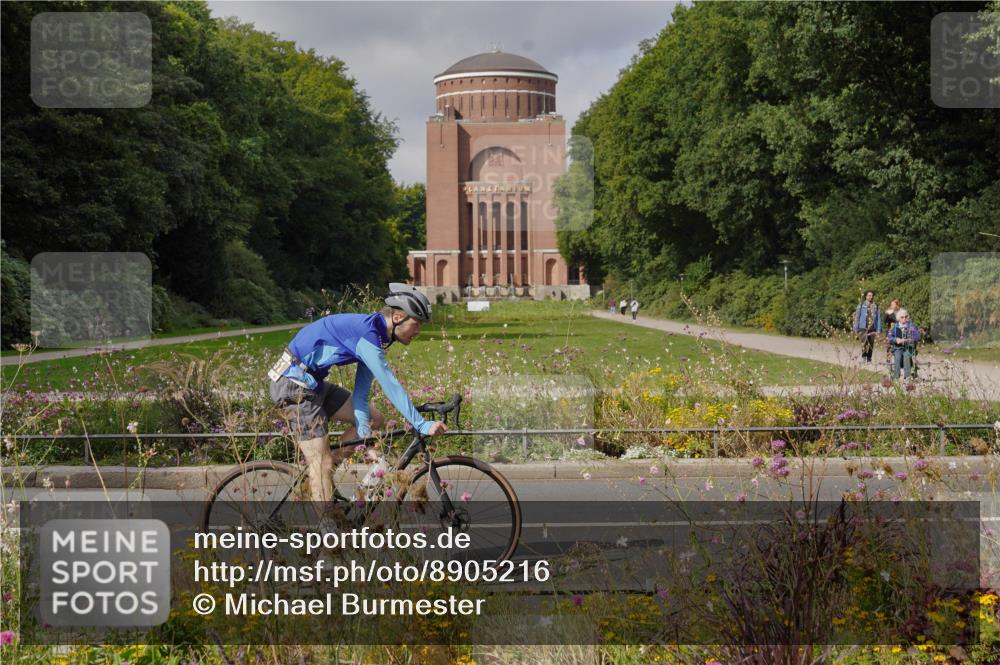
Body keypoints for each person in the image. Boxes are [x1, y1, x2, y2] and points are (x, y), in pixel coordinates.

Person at [267, 283, 448, 523]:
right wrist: (421, 424)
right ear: (397, 316)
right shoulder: (367, 335)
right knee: (319, 462)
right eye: (416, 323)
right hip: (293, 386)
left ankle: (322, 478)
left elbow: (361, 394)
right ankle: (328, 537)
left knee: (375, 420)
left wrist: (364, 432)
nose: (418, 331)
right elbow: (390, 384)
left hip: (314, 384)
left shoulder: (377, 335)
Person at [886, 308, 920, 379]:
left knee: (906, 356)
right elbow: (889, 337)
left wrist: (908, 340)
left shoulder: (911, 326)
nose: (904, 318)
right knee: (897, 356)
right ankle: (896, 376)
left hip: (908, 347)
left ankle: (907, 377)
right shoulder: (894, 326)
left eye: (906, 317)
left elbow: (917, 337)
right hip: (898, 347)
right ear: (899, 318)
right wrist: (896, 339)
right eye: (902, 317)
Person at [852, 291, 881, 363]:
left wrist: (878, 329)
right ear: (866, 296)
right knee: (864, 343)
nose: (870, 297)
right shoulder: (861, 305)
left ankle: (869, 358)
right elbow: (857, 317)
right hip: (863, 328)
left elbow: (878, 318)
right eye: (869, 295)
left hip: (872, 328)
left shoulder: (876, 306)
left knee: (871, 343)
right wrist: (855, 328)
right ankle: (864, 357)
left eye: (872, 295)